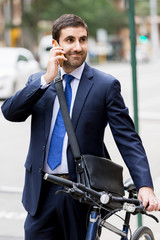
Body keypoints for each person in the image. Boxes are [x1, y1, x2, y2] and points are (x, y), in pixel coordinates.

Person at [1, 14, 160, 240]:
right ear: (56, 45)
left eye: (83, 39)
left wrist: (145, 185)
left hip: (83, 194)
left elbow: (128, 138)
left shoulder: (105, 86)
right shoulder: (40, 81)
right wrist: (46, 78)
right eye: (70, 40)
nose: (78, 47)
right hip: (41, 192)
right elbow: (10, 112)